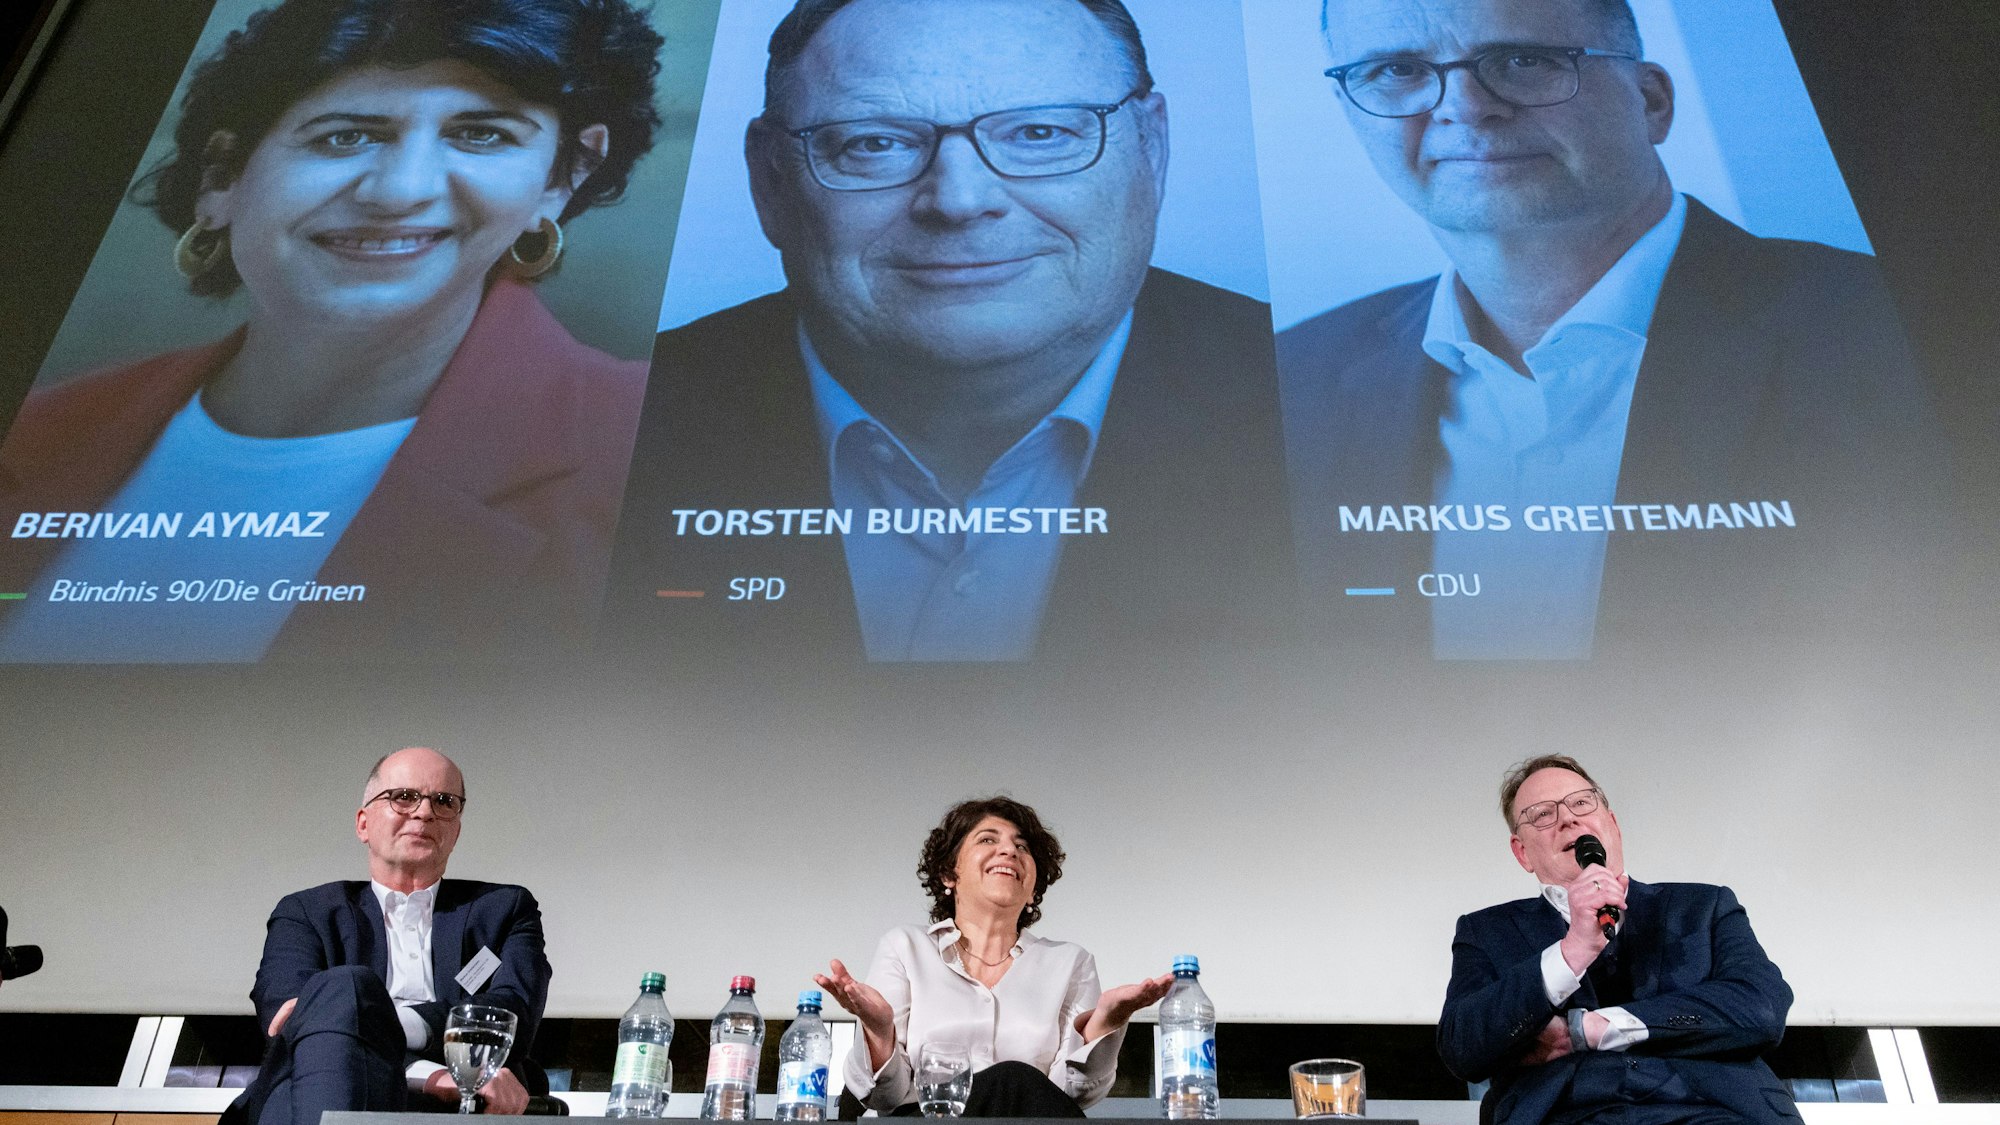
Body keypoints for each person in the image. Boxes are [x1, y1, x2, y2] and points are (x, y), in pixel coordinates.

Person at [601, 0, 1292, 664]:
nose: (959, 201)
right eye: (874, 143)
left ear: (1153, 148)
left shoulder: (1309, 394)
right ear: (770, 180)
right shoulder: (622, 421)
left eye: (1040, 133)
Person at [1279, 0, 1949, 660]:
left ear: (1651, 100)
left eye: (1523, 60)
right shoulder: (1291, 377)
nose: (1467, 107)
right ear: (1349, 110)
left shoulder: (1901, 331)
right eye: (1396, 71)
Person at [0, 0, 665, 662]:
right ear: (221, 177)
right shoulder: (39, 428)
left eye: (481, 134)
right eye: (344, 136)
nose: (400, 192)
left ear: (563, 177)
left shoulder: (652, 437)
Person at [1440, 755, 1798, 1124]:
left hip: (1715, 1111)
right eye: (1543, 814)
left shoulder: (1704, 906)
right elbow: (1461, 1047)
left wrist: (1588, 1030)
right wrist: (1572, 951)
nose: (1568, 819)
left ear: (1612, 825)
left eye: (1581, 802)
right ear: (1522, 852)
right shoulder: (1485, 931)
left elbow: (1762, 1008)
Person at [225, 747, 550, 1125]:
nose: (425, 812)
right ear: (363, 824)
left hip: (470, 1100)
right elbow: (288, 1024)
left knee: (338, 1001)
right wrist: (431, 1075)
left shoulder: (504, 910)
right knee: (345, 987)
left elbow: (509, 1013)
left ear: (456, 831)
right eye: (404, 797)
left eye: (444, 802)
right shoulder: (307, 913)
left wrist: (373, 1020)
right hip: (318, 1089)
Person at [814, 796, 1170, 1115]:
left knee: (1017, 1081)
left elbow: (1071, 1097)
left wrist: (1106, 1022)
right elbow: (885, 1096)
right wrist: (879, 1031)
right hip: (928, 1123)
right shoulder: (905, 947)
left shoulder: (1070, 963)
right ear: (948, 873)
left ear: (1032, 888)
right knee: (1014, 1078)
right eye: (988, 839)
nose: (1010, 851)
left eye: (1022, 846)